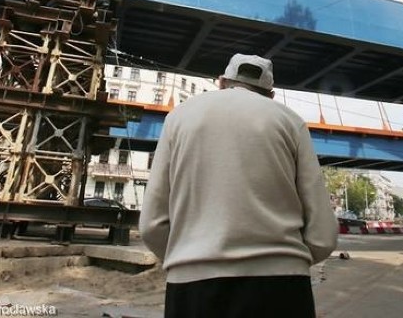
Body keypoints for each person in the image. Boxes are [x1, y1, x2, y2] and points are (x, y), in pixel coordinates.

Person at [140, 54, 338, 318]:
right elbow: (323, 233)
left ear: (221, 82)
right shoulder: (291, 122)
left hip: (192, 287)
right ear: (271, 95)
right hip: (282, 287)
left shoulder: (178, 117)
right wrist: (287, 259)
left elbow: (151, 224)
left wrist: (188, 254)